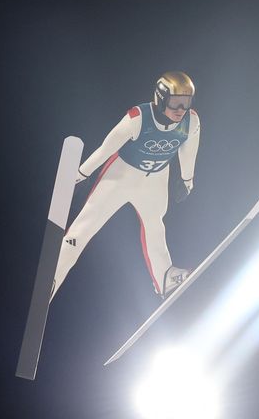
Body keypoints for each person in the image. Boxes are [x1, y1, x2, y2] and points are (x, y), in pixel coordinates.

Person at [51, 71, 200, 302]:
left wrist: (187, 180)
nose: (181, 109)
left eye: (186, 102)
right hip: (121, 177)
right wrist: (81, 174)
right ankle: (53, 278)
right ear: (161, 99)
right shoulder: (138, 118)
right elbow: (106, 148)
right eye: (175, 102)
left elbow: (189, 149)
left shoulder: (191, 121)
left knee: (155, 226)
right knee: (84, 228)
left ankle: (164, 277)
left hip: (155, 180)